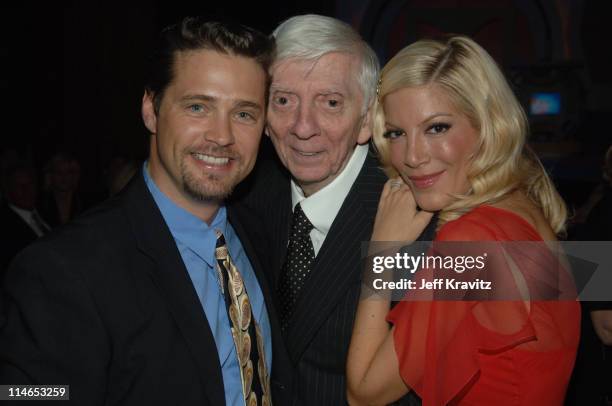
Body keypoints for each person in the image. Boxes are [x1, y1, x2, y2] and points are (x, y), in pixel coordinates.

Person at [0, 17, 292, 405]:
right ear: (151, 110)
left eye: (243, 114)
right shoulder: (62, 270)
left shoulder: (260, 233)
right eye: (197, 106)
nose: (221, 136)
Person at [347, 36, 580, 405]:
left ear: (487, 124)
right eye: (396, 133)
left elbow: (363, 392)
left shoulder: (470, 240)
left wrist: (382, 253)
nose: (413, 156)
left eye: (437, 128)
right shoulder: (526, 206)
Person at [237, 14, 434, 405]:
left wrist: (596, 297)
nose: (303, 126)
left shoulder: (418, 210)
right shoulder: (246, 195)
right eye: (283, 100)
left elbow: (572, 274)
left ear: (366, 122)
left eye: (330, 102)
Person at [0, 163, 50, 275]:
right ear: (7, 191)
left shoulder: (47, 211)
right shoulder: (4, 227)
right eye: (19, 186)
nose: (26, 190)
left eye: (30, 184)